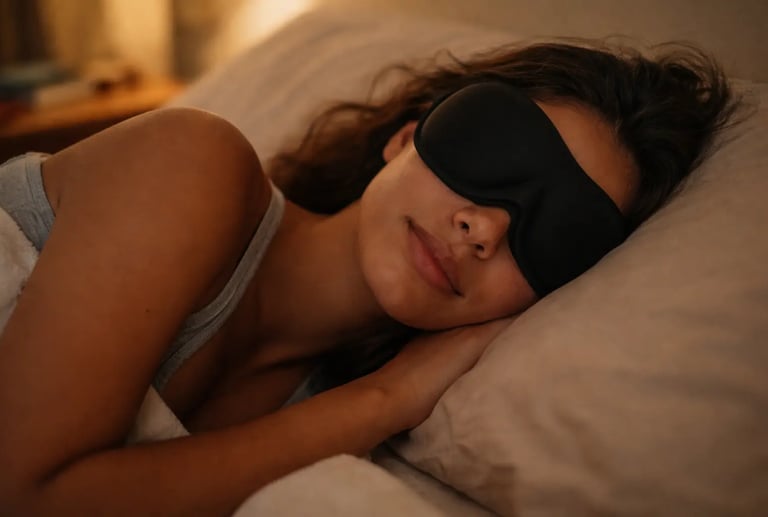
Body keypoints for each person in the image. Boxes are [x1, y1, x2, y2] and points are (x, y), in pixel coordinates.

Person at [0, 40, 738, 515]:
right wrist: (386, 397)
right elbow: (27, 495)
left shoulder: (335, 429)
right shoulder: (190, 163)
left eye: (560, 234)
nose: (484, 228)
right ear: (406, 136)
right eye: (499, 153)